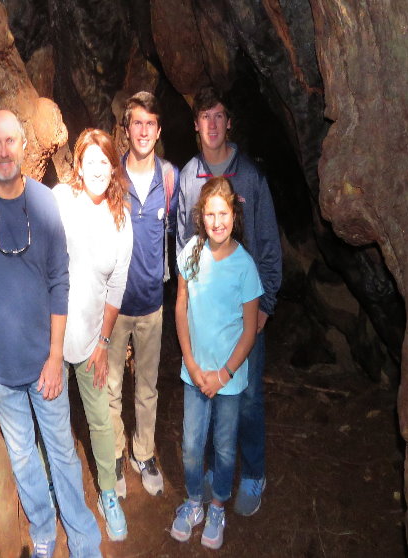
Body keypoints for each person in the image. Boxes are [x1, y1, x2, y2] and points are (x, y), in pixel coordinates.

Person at [0, 110, 102, 558]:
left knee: (60, 452)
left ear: (23, 146)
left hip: (43, 364)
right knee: (23, 458)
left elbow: (60, 279)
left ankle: (82, 538)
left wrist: (56, 357)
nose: (3, 152)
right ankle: (42, 531)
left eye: (10, 142)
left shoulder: (42, 203)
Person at [176, 86, 282, 516]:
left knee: (248, 398)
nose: (213, 125)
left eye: (220, 116)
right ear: (197, 125)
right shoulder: (188, 177)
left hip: (245, 313)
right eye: (206, 117)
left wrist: (265, 310)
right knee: (205, 407)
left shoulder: (251, 178)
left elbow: (269, 247)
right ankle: (211, 482)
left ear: (229, 122)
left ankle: (253, 473)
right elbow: (183, 241)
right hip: (205, 315)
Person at [170, 177, 263, 549]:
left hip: (229, 380)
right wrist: (191, 364)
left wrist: (223, 374)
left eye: (223, 214)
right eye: (209, 215)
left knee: (224, 446)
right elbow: (181, 305)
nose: (216, 222)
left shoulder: (245, 266)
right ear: (201, 218)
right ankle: (195, 501)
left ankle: (218, 504)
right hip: (194, 374)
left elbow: (250, 330)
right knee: (193, 444)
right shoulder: (192, 251)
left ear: (234, 216)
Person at [53, 128, 133, 541]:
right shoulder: (61, 200)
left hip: (88, 340)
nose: (99, 169)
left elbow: (116, 287)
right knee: (54, 419)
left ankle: (107, 492)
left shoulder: (121, 220)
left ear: (112, 168)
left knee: (100, 419)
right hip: (50, 337)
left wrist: (103, 342)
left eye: (106, 161)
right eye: (91, 161)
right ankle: (59, 491)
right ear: (78, 168)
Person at [105, 91, 179, 499]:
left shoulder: (170, 178)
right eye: (137, 123)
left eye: (151, 124)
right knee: (112, 387)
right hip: (114, 308)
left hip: (152, 304)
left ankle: (143, 453)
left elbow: (179, 235)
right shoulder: (111, 177)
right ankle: (116, 455)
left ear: (158, 130)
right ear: (126, 130)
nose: (144, 131)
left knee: (147, 387)